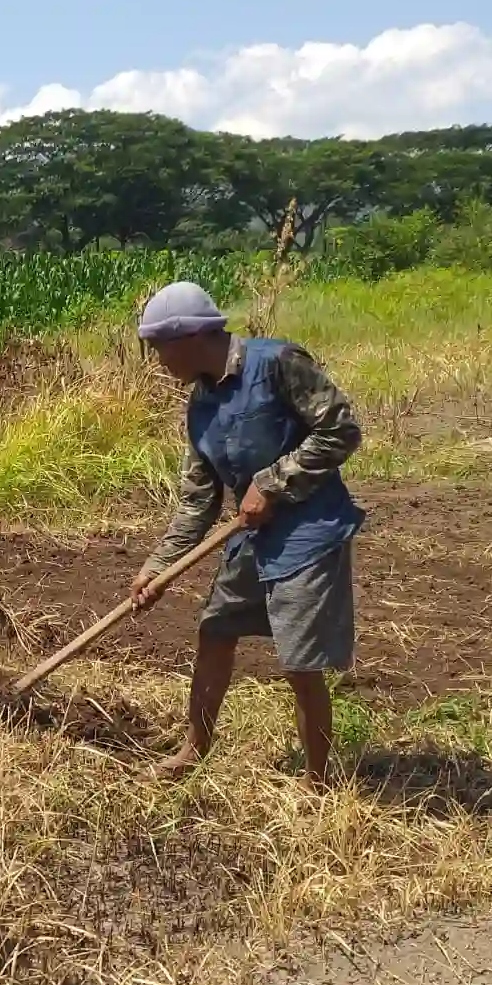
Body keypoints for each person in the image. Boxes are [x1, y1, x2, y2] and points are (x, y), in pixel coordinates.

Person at [128, 281, 363, 788]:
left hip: (308, 531)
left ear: (189, 337)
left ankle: (318, 782)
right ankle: (194, 750)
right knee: (215, 633)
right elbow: (198, 500)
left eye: (158, 347)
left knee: (300, 662)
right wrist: (158, 567)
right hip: (250, 537)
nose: (157, 360)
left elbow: (342, 429)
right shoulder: (200, 407)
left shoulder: (278, 363)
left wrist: (274, 482)